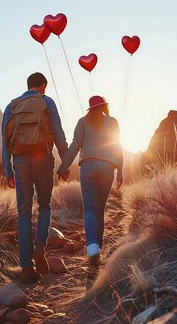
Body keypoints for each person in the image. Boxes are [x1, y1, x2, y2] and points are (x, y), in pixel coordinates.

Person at [1, 72, 68, 283]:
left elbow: (5, 142)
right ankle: (40, 247)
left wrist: (7, 170)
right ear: (43, 86)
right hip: (44, 158)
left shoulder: (11, 106)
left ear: (27, 86)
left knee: (23, 214)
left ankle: (27, 268)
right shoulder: (46, 102)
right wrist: (65, 164)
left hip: (20, 162)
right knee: (45, 206)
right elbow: (58, 133)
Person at [57, 95, 123, 272]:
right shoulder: (112, 121)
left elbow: (74, 146)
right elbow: (118, 147)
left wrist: (63, 167)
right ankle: (98, 249)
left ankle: (93, 249)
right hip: (108, 168)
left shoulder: (82, 121)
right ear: (104, 106)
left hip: (87, 167)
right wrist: (121, 172)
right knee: (100, 210)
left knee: (90, 210)